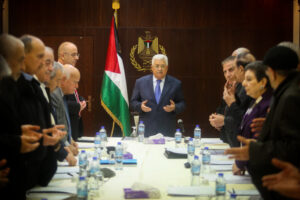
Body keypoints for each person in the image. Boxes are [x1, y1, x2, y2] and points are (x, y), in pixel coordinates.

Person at [225, 46, 300, 199]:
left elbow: (294, 146)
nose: (245, 84)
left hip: (283, 184)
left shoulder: (290, 96)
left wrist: (255, 150)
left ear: (270, 72)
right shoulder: (287, 91)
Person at [232, 61, 272, 175]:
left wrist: (240, 163)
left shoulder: (267, 105)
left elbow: (258, 141)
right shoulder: (257, 100)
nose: (244, 83)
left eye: (249, 79)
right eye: (244, 79)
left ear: (263, 82)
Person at [130, 54, 185, 137]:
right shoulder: (140, 82)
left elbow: (182, 103)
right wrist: (140, 106)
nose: (160, 69)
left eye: (163, 66)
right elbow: (133, 102)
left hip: (167, 129)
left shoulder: (175, 84)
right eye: (157, 66)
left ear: (166, 68)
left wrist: (174, 107)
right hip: (146, 130)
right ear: (152, 68)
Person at [57, 41, 86, 140]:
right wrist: (77, 106)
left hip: (73, 128)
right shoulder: (56, 73)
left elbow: (69, 95)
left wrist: (80, 100)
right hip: (62, 132)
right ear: (62, 55)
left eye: (77, 54)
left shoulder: (68, 70)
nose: (77, 58)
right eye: (73, 55)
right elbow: (57, 102)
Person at [51, 64, 80, 156]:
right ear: (63, 80)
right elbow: (58, 124)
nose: (77, 86)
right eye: (75, 82)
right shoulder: (55, 95)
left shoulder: (63, 95)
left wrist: (70, 139)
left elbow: (64, 122)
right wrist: (67, 145)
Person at [209, 56, 236, 133]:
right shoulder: (228, 88)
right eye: (225, 72)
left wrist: (224, 121)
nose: (227, 75)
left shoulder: (244, 89)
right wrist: (215, 118)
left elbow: (241, 118)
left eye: (231, 70)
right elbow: (222, 109)